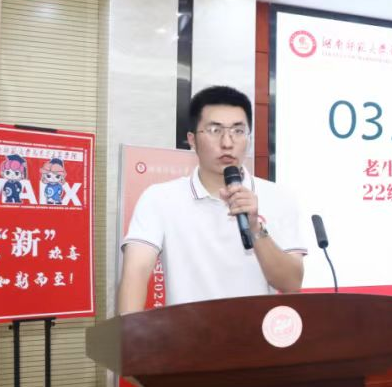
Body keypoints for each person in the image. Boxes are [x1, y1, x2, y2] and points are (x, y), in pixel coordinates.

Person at [116, 86, 306, 314]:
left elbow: (291, 283)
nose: (227, 142)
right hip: (186, 334)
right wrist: (128, 333)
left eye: (238, 131)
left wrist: (255, 227)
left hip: (257, 334)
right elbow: (136, 272)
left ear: (249, 138)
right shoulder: (159, 198)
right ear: (192, 140)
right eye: (215, 130)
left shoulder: (279, 198)